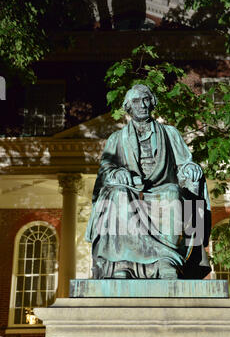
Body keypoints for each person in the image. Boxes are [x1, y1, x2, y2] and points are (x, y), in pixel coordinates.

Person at [85, 84, 211, 279]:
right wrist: (117, 173)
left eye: (146, 100)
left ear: (152, 103)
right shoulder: (116, 138)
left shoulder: (170, 133)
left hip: (162, 188)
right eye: (136, 101)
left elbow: (184, 162)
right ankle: (121, 263)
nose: (142, 105)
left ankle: (167, 261)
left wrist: (190, 168)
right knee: (118, 194)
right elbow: (106, 171)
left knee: (172, 193)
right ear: (128, 108)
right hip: (129, 190)